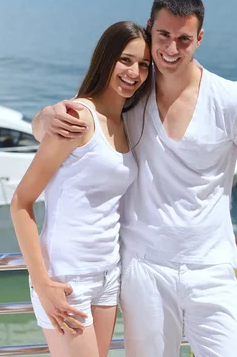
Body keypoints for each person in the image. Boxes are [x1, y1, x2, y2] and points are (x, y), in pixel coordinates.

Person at [31, 0, 237, 357]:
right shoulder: (131, 92)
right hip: (143, 269)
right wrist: (45, 117)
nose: (171, 49)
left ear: (199, 39)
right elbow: (80, 122)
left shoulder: (232, 99)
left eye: (184, 39)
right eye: (163, 35)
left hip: (210, 268)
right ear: (150, 29)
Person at [10, 21, 152, 357]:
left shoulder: (125, 122)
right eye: (125, 60)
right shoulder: (77, 118)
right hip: (66, 275)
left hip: (107, 272)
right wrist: (43, 284)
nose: (134, 72)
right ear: (106, 59)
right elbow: (21, 202)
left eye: (144, 65)